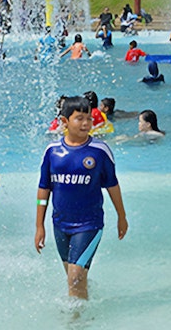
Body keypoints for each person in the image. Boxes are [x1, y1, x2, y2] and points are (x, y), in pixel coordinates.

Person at [35, 95, 128, 301]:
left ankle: (77, 323)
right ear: (65, 122)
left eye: (89, 118)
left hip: (89, 224)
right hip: (60, 224)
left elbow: (112, 185)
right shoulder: (52, 152)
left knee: (75, 279)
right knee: (73, 276)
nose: (86, 123)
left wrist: (122, 216)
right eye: (79, 118)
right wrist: (39, 225)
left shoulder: (99, 151)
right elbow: (43, 190)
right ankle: (88, 310)